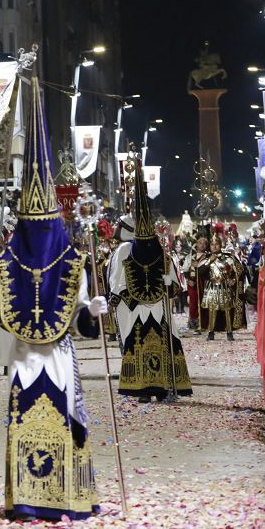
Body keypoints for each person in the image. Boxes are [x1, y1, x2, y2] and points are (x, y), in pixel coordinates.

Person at [0, 81, 106, 521]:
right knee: (29, 418)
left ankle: (60, 495)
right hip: (29, 357)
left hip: (52, 356)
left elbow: (77, 316)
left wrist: (90, 314)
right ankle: (28, 496)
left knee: (55, 415)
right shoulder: (8, 263)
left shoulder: (68, 261)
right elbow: (4, 313)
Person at [108, 159, 193, 401]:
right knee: (147, 344)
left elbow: (172, 281)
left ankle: (154, 388)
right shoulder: (143, 252)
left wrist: (168, 286)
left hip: (147, 309)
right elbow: (121, 281)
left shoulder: (146, 253)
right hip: (149, 309)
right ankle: (152, 388)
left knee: (147, 344)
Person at [200, 234, 245, 340]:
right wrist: (209, 261)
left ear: (220, 245)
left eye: (217, 244)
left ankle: (229, 333)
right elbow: (200, 272)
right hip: (212, 289)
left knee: (227, 310)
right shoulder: (206, 258)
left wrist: (234, 280)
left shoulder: (229, 257)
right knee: (212, 310)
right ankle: (211, 332)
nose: (214, 246)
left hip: (225, 288)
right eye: (212, 244)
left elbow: (240, 271)